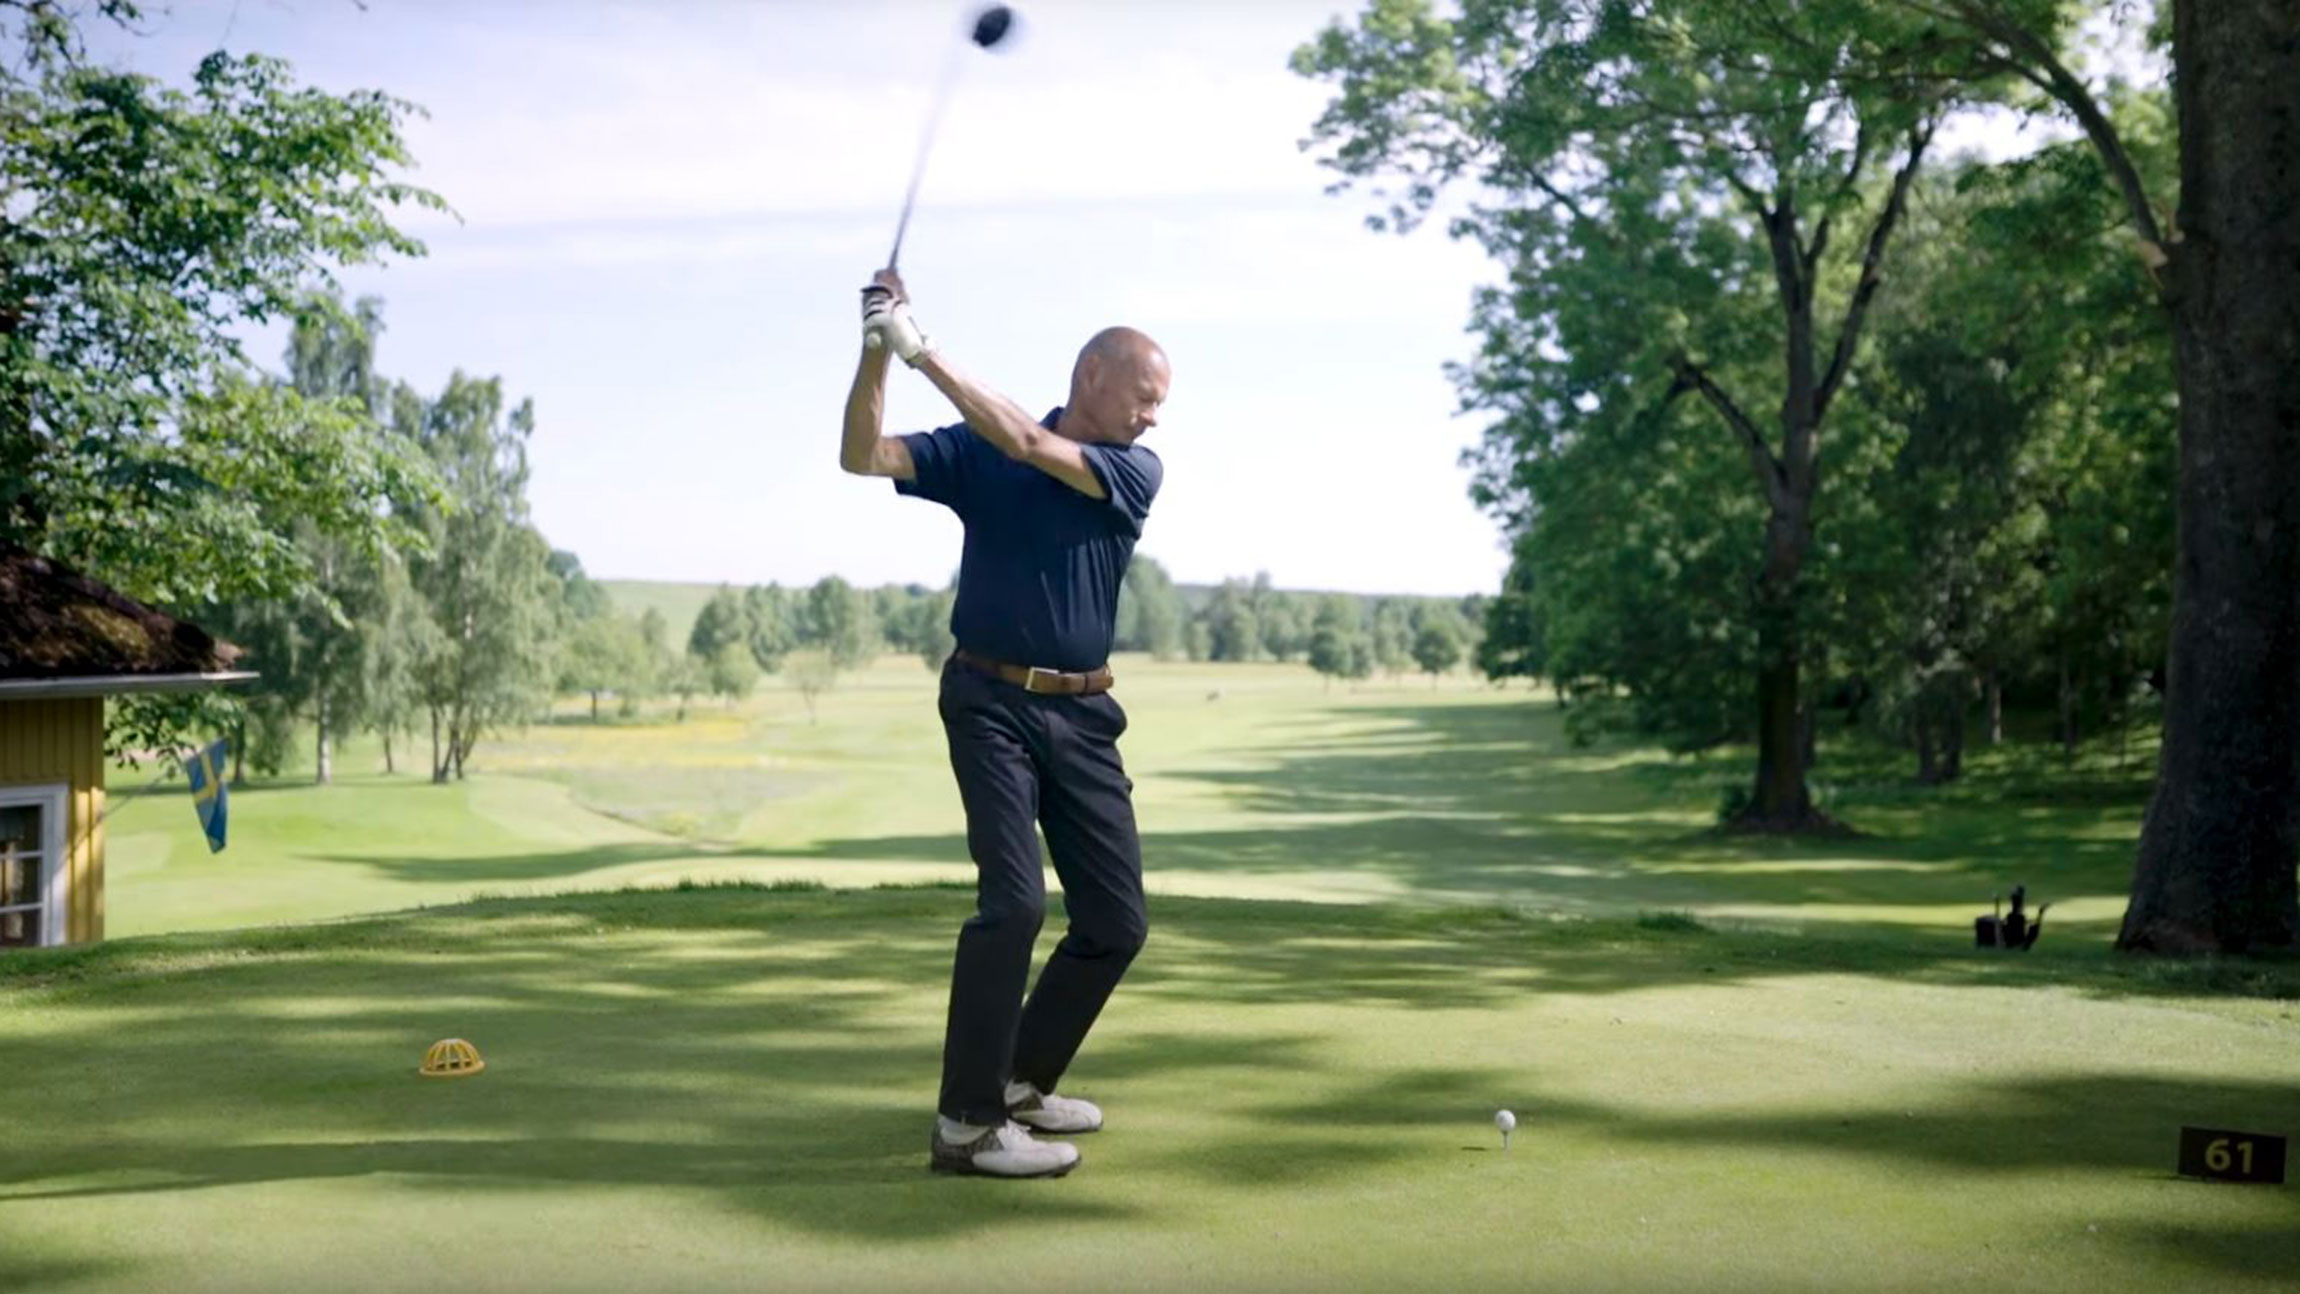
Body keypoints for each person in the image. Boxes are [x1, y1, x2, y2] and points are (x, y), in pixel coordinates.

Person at [838, 269, 1170, 1178]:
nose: (1153, 416)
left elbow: (1025, 438)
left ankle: (1021, 1082)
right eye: (1145, 397)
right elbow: (863, 454)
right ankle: (966, 1124)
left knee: (1115, 921)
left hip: (1086, 715)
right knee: (1014, 902)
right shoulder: (981, 450)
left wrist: (920, 346)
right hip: (989, 702)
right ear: (1094, 377)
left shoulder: (1131, 469)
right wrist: (876, 353)